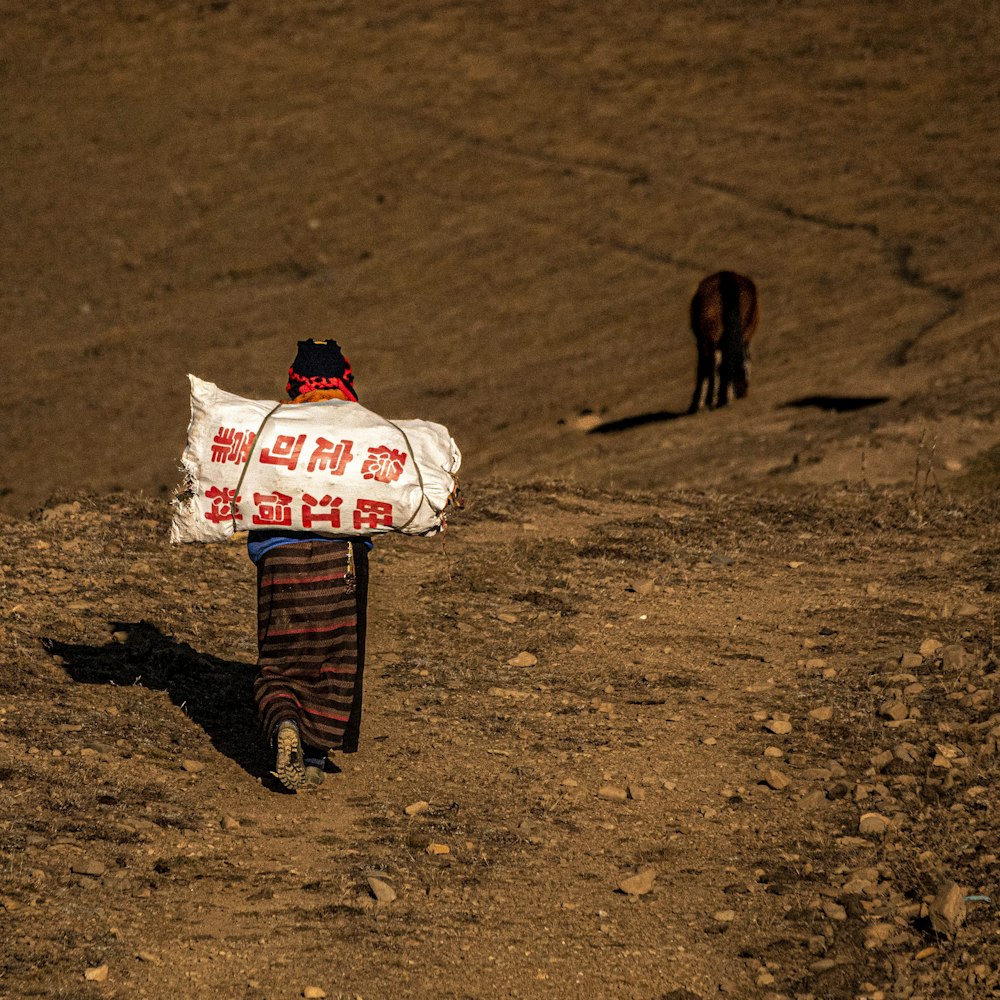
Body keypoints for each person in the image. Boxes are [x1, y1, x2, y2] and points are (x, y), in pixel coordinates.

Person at [248, 339, 371, 792]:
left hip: (280, 561)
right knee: (334, 661)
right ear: (345, 379)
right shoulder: (360, 433)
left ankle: (286, 723)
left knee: (280, 661)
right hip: (339, 563)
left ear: (294, 382)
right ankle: (316, 756)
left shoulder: (272, 430)